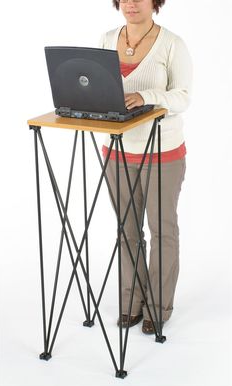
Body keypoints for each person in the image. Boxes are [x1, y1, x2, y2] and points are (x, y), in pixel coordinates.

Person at [99, 0, 192, 334]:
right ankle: (131, 302)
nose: (130, 3)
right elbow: (99, 88)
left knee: (162, 229)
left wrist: (147, 96)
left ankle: (158, 305)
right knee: (127, 229)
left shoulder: (172, 44)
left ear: (155, 2)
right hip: (117, 151)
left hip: (162, 152)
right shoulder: (107, 39)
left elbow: (183, 96)